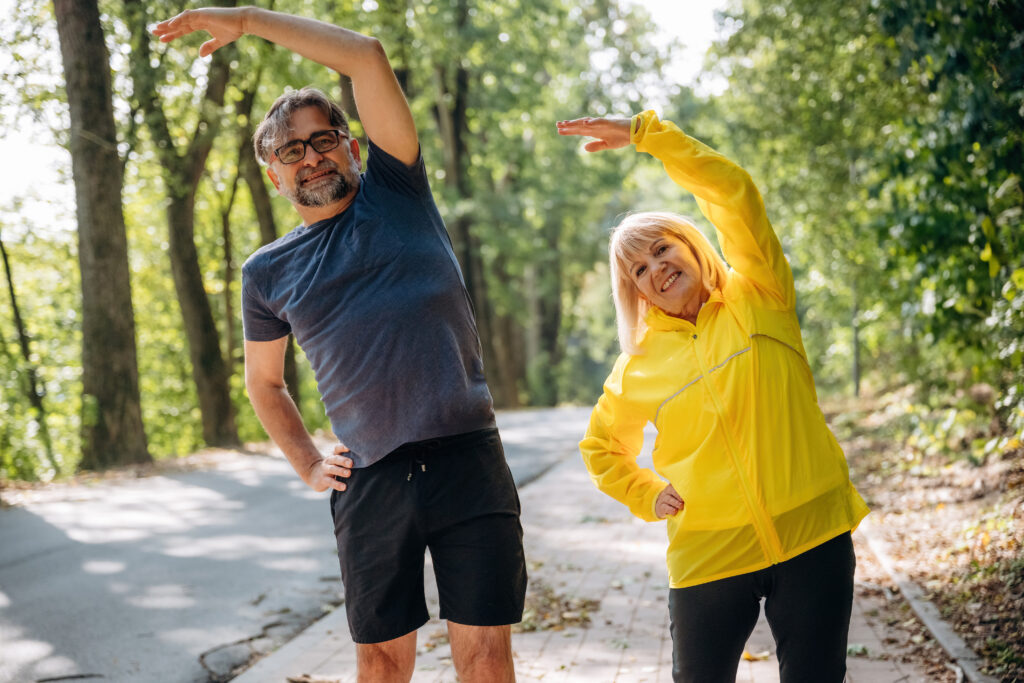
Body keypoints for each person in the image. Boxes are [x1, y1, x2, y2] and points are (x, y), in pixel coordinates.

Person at [154, 9, 525, 683]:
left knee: (486, 654)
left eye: (323, 140)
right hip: (370, 481)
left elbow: (366, 57)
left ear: (351, 144)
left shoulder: (398, 191)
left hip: (467, 456)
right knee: (381, 662)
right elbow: (264, 383)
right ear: (273, 173)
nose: (311, 157)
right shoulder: (266, 272)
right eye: (290, 150)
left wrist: (245, 20)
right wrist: (305, 460)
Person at [557, 112, 870, 683]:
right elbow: (601, 446)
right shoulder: (640, 365)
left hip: (813, 537)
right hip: (708, 556)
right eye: (639, 269)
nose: (656, 268)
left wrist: (648, 136)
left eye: (660, 248)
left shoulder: (761, 295)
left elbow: (733, 192)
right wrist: (646, 492)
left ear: (689, 243)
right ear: (636, 292)